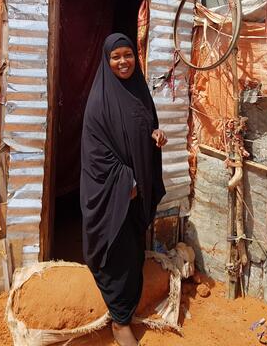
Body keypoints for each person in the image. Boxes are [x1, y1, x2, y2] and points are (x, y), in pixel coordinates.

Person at [80, 33, 167, 346]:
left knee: (132, 250)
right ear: (107, 61)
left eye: (127, 55)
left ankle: (125, 307)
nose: (123, 62)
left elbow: (143, 126)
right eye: (115, 57)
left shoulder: (139, 91)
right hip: (116, 191)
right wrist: (124, 181)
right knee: (117, 249)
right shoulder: (99, 101)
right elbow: (96, 152)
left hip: (136, 188)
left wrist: (155, 135)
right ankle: (120, 321)